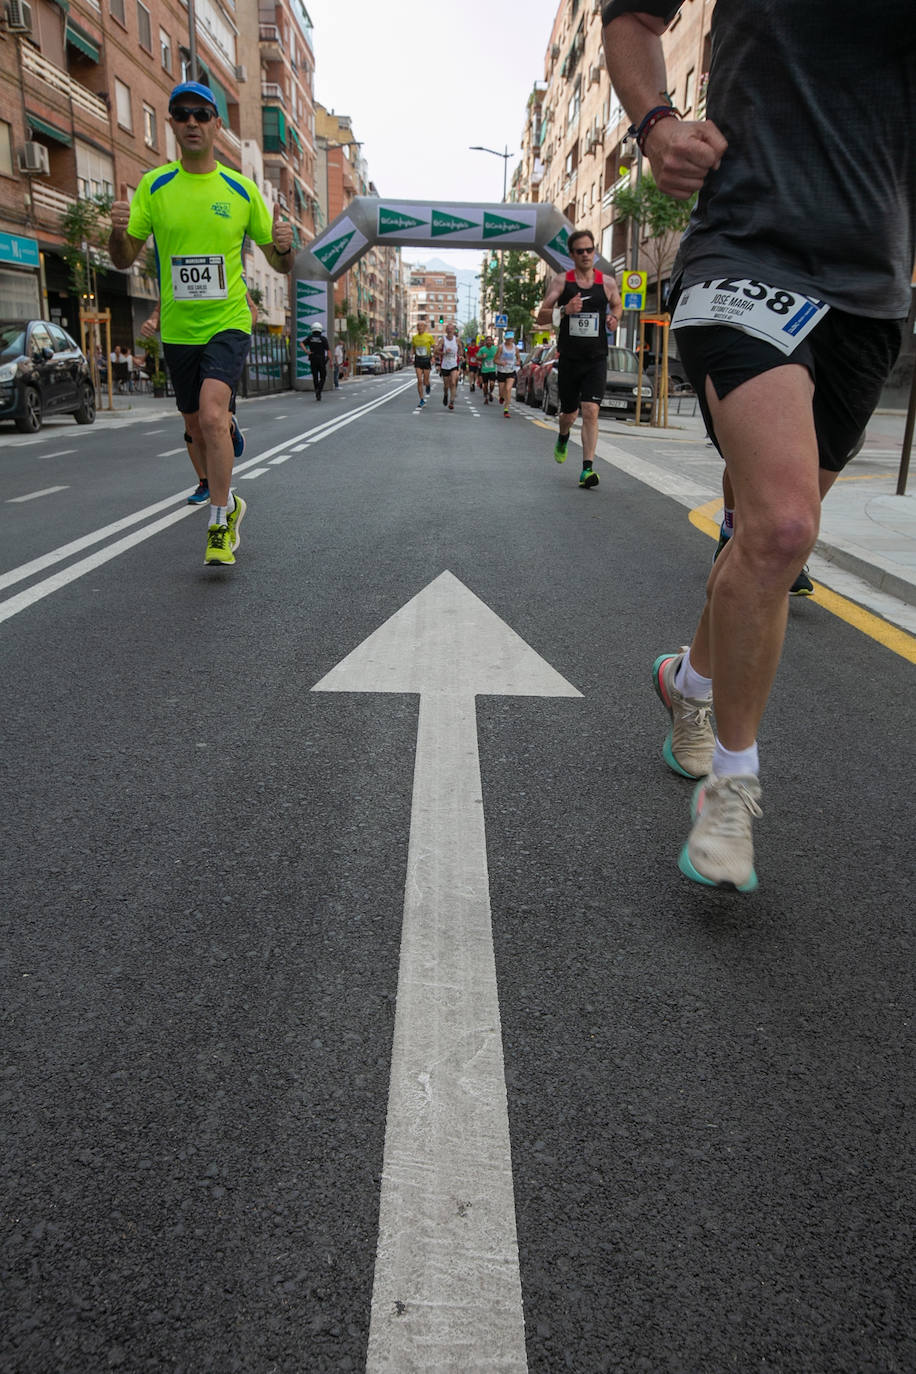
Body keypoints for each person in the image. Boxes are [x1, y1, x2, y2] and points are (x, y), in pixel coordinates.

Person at [602, 0, 913, 890]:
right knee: (780, 528)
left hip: (873, 289)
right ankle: (732, 787)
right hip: (746, 253)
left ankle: (688, 686)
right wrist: (654, 121)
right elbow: (628, 15)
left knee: (758, 539)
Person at [109, 81, 292, 566]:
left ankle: (218, 524)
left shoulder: (239, 189)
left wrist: (285, 243)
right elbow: (125, 259)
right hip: (178, 327)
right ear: (171, 123)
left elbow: (279, 263)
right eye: (181, 114)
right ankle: (227, 494)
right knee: (193, 424)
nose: (191, 122)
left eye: (201, 114)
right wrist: (115, 230)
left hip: (228, 318)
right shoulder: (155, 186)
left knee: (212, 415)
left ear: (216, 125)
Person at [139, 291, 255, 505]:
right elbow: (160, 306)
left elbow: (251, 310)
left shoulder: (227, 265)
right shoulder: (175, 265)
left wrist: (239, 332)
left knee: (211, 417)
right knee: (193, 425)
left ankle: (221, 511)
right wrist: (154, 319)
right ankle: (206, 481)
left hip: (221, 342)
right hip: (184, 341)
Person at [535, 228, 622, 489]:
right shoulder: (562, 282)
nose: (586, 254)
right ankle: (563, 436)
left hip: (596, 357)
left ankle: (587, 470)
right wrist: (565, 309)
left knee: (591, 410)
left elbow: (617, 304)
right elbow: (541, 316)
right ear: (571, 254)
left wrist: (614, 318)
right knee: (569, 414)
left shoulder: (606, 282)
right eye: (580, 251)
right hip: (570, 358)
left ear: (595, 252)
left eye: (590, 250)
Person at [495, 331, 521, 417]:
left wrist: (517, 362)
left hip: (511, 371)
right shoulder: (501, 347)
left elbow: (518, 359)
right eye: (508, 339)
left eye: (511, 339)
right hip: (502, 371)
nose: (510, 341)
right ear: (505, 339)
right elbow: (495, 360)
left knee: (508, 389)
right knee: (501, 391)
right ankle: (501, 397)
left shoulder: (515, 348)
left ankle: (506, 409)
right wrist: (501, 363)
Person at [436, 321, 461, 410]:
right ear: (446, 330)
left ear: (454, 330)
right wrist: (443, 352)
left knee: (453, 382)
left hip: (454, 364)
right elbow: (436, 351)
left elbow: (461, 349)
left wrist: (461, 355)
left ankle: (452, 402)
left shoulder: (457, 340)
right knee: (446, 385)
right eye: (448, 329)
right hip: (445, 365)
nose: (450, 331)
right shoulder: (442, 340)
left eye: (451, 329)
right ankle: (446, 394)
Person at [411, 319, 436, 407]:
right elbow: (413, 348)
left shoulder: (429, 336)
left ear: (425, 327)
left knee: (425, 381)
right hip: (418, 360)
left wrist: (433, 357)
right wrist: (412, 356)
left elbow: (434, 347)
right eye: (418, 326)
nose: (419, 327)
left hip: (426, 360)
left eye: (421, 326)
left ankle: (428, 385)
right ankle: (421, 399)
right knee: (419, 380)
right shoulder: (414, 337)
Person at [303, 322, 330, 400]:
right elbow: (328, 350)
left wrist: (307, 351)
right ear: (320, 329)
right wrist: (330, 360)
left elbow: (301, 343)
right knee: (323, 376)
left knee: (315, 377)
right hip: (321, 360)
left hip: (313, 359)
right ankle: (319, 390)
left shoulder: (310, 338)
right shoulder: (323, 339)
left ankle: (316, 390)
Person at [476, 334, 498, 404]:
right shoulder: (482, 349)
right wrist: (482, 356)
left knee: (492, 384)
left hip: (492, 369)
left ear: (492, 342)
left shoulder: (495, 348)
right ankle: (486, 397)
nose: (489, 342)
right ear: (485, 341)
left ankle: (490, 392)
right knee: (485, 385)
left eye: (490, 340)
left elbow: (499, 355)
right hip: (484, 370)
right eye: (487, 340)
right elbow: (477, 357)